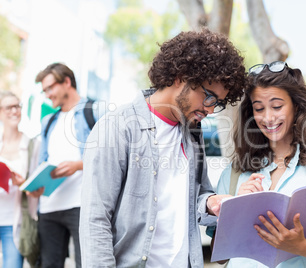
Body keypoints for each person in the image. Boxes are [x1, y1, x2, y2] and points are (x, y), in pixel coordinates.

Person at [80, 28, 247, 267]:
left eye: (217, 103)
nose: (210, 109)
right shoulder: (117, 127)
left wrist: (210, 204)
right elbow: (95, 220)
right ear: (181, 77)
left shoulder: (192, 132)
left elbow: (193, 196)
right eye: (208, 96)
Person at [209, 61, 306, 267]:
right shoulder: (235, 171)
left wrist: (300, 246)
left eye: (277, 106)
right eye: (259, 109)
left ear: (296, 106)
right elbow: (219, 257)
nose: (268, 117)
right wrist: (236, 210)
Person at [34, 63, 104, 268]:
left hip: (82, 205)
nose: (47, 95)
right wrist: (36, 184)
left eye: (50, 88)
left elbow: (111, 154)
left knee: (87, 263)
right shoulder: (49, 121)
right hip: (49, 208)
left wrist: (78, 165)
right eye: (44, 90)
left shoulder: (94, 111)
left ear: (66, 82)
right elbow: (43, 161)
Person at [0, 91, 40, 268]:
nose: (15, 111)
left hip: (14, 223)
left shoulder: (32, 145)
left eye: (17, 106)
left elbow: (39, 190)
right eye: (9, 107)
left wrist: (23, 183)